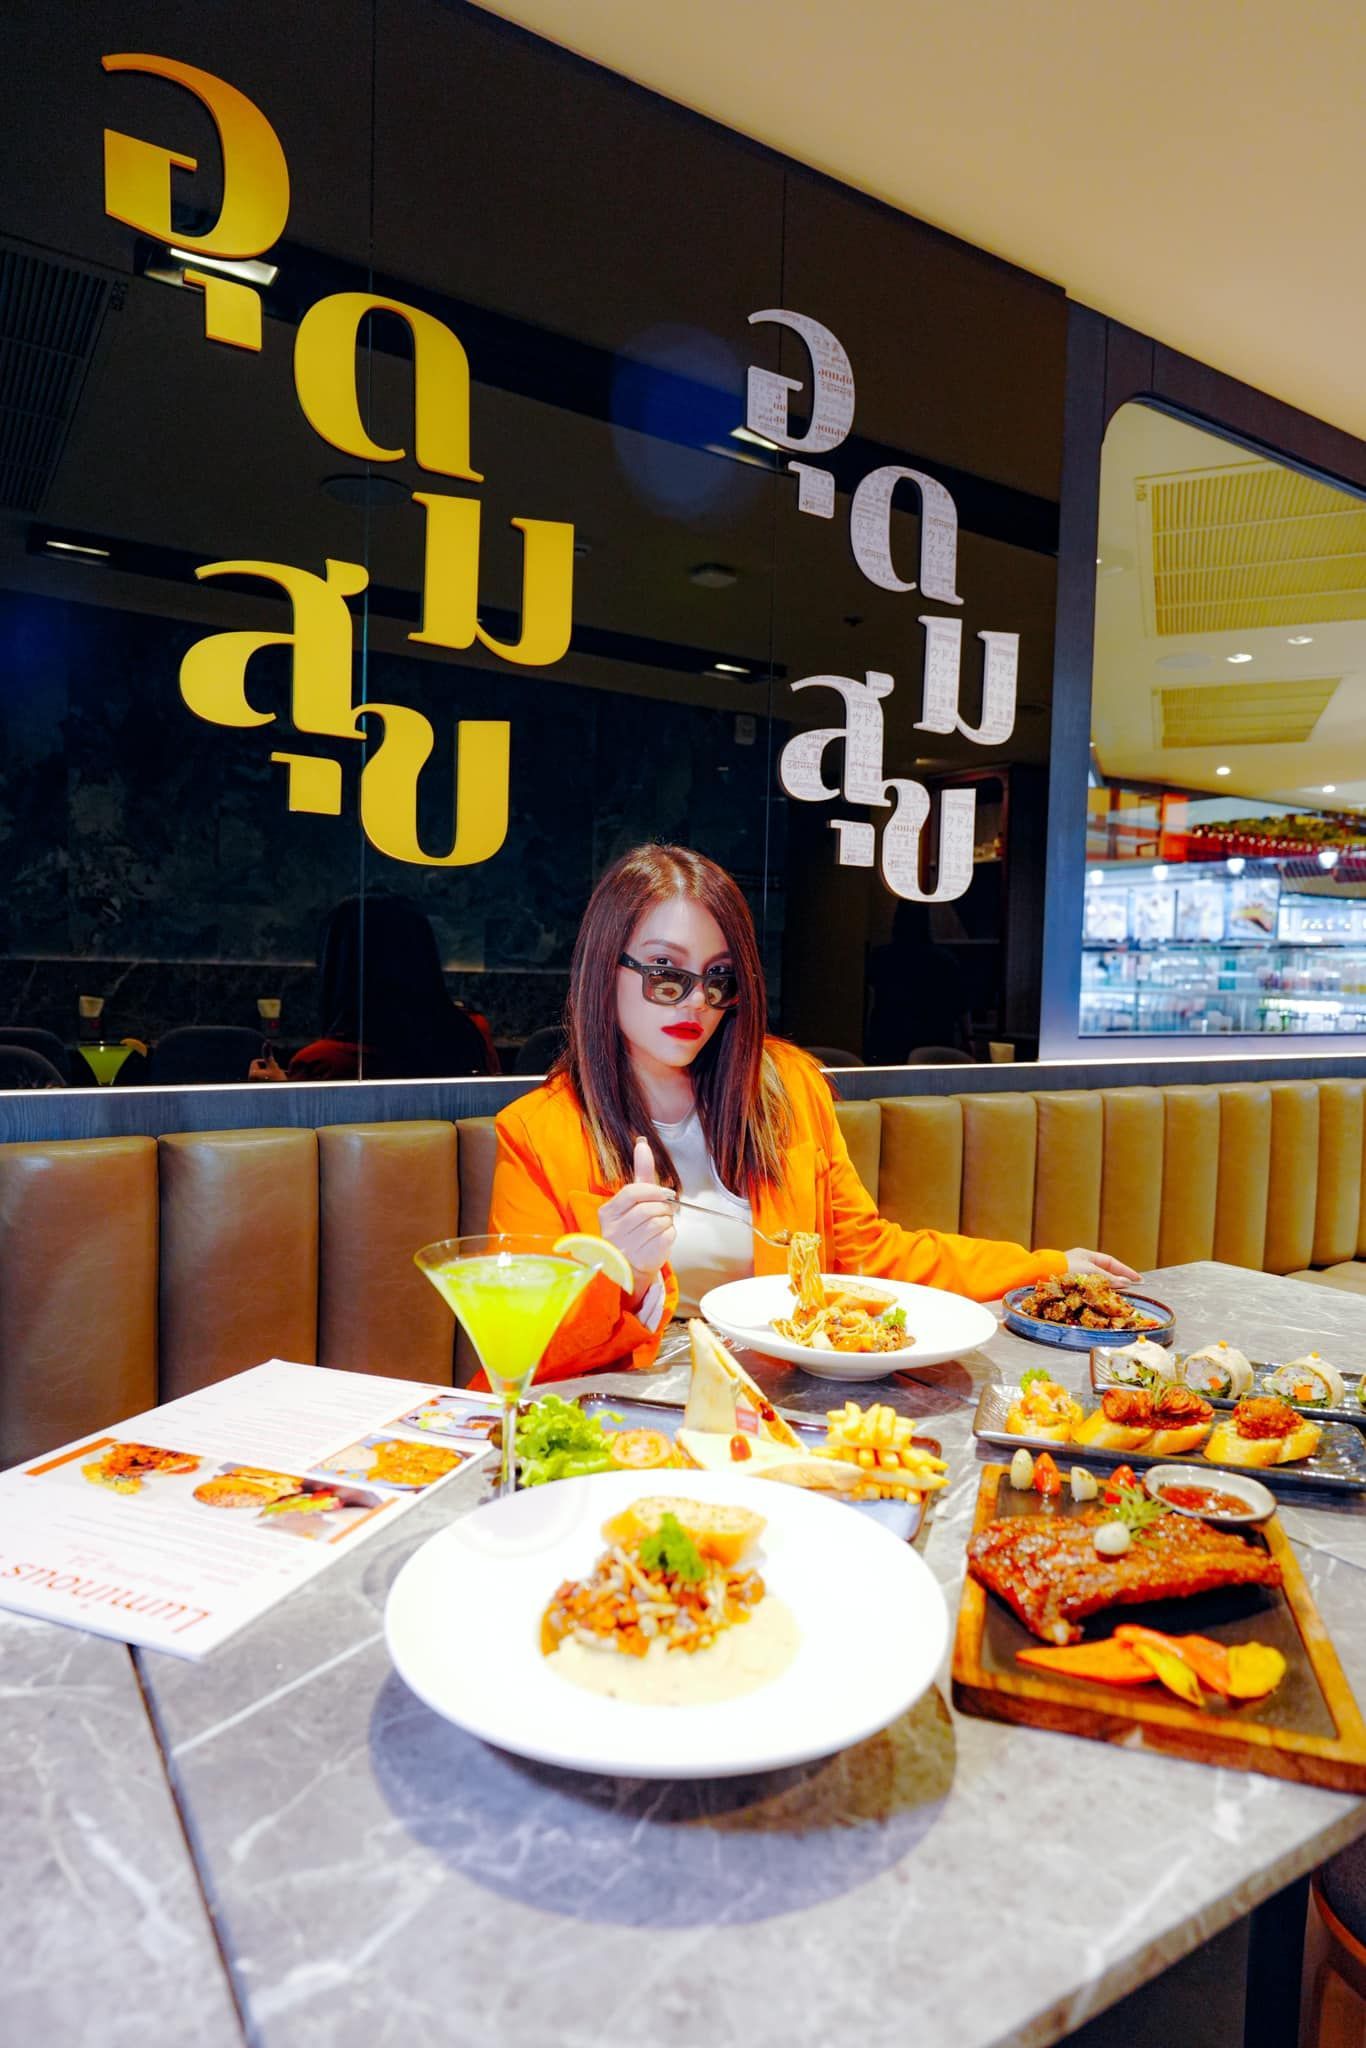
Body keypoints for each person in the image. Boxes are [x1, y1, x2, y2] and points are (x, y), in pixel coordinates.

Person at [489, 844, 1136, 1381]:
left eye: (719, 978)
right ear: (607, 969)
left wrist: (1045, 1269)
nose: (695, 1003)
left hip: (782, 1401)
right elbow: (521, 1353)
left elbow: (869, 1256)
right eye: (665, 973)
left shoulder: (787, 1088)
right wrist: (623, 1278)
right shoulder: (536, 1134)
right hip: (629, 1417)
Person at [249, 895, 496, 1082]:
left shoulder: (324, 1061)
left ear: (339, 966)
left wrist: (279, 1094)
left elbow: (305, 1138)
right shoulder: (471, 1033)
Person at [865, 900, 971, 1063]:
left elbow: (870, 1003)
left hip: (890, 1040)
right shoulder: (944, 960)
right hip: (934, 1040)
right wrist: (968, 1039)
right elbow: (961, 1006)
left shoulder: (882, 957)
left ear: (896, 922)